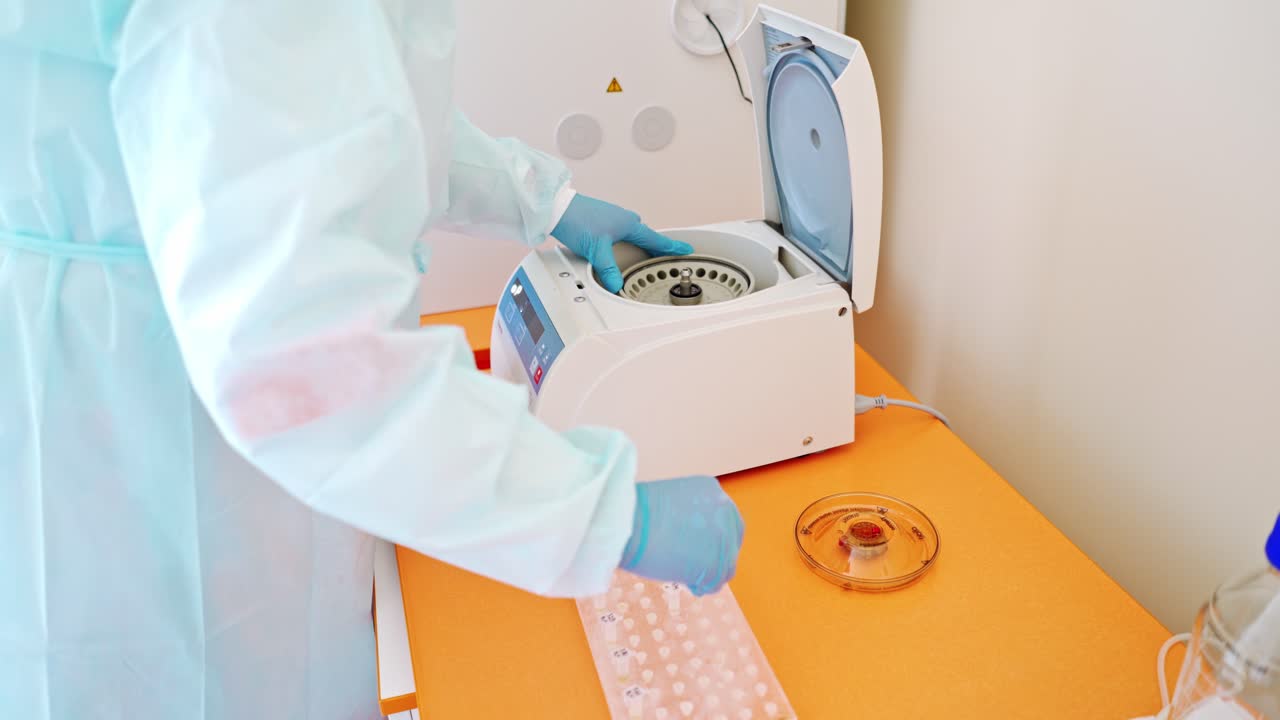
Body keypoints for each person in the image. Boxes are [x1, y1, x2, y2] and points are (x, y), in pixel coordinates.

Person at [0, 2, 745, 718]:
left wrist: (541, 201)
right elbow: (300, 357)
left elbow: (321, 113)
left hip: (147, 350)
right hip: (145, 415)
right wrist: (607, 516)